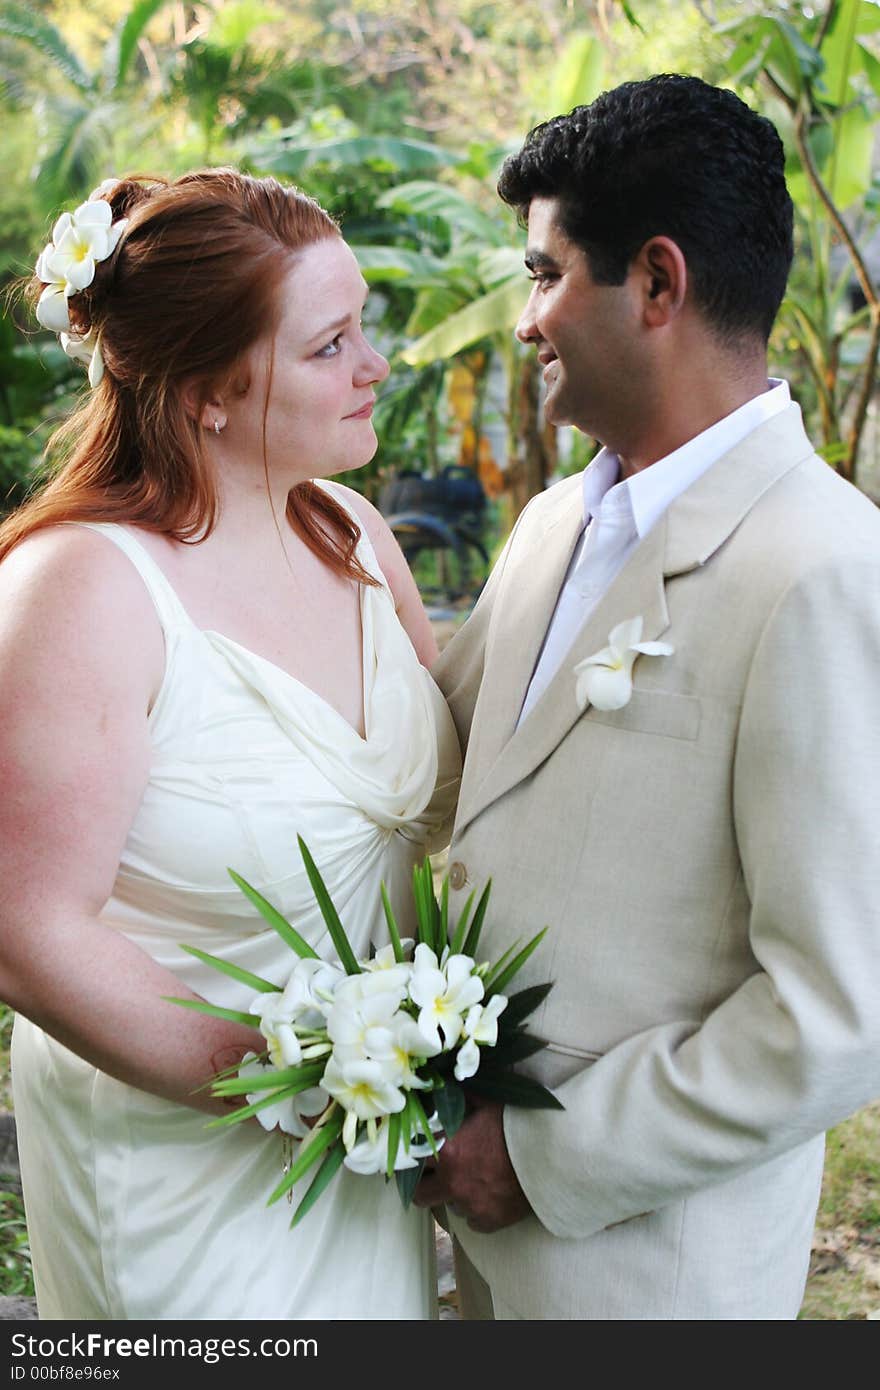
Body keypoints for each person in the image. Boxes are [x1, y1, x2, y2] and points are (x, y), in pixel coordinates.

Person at [415, 74, 880, 1319]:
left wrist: (542, 1154)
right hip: (458, 1241)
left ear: (656, 284)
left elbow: (834, 1010)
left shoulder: (825, 571)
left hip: (648, 1268)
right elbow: (441, 765)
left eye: (542, 275)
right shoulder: (556, 519)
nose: (525, 322)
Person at [0, 169, 460, 1320]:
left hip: (366, 1143)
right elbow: (26, 929)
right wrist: (291, 1079)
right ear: (210, 386)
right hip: (180, 1162)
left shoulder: (349, 530)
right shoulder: (82, 589)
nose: (376, 365)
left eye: (368, 328)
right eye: (329, 344)